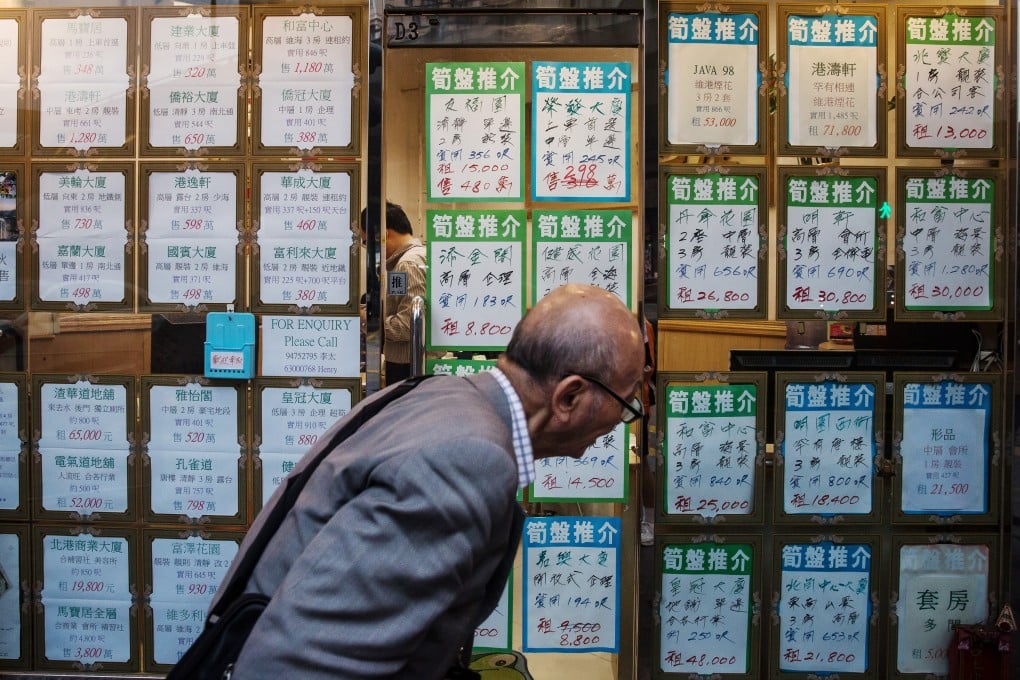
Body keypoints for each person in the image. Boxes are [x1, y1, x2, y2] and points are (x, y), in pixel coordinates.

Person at [209, 283, 645, 679]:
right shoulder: (468, 460)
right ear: (569, 396)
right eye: (624, 405)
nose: (621, 422)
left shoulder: (440, 395)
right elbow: (299, 667)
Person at [381, 201, 428, 384]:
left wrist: (372, 322)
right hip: (414, 362)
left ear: (384, 235)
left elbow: (407, 325)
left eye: (366, 241)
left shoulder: (406, 264)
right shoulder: (416, 257)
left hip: (408, 365)